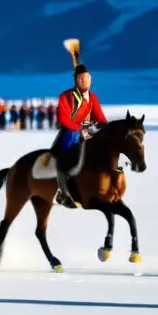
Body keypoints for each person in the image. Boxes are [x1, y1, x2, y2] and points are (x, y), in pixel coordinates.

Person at [50, 38, 107, 208]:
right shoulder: (66, 96)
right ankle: (63, 190)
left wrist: (97, 129)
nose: (85, 81)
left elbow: (101, 118)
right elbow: (64, 118)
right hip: (71, 133)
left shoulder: (93, 98)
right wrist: (78, 129)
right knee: (66, 155)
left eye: (87, 78)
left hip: (88, 132)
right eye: (81, 79)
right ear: (76, 81)